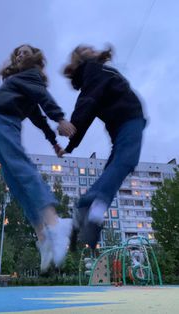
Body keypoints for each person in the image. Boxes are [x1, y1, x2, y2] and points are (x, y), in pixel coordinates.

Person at [0, 44, 76, 272]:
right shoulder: (21, 80)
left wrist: (60, 118)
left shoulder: (32, 76)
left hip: (4, 120)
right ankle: (43, 237)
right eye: (17, 53)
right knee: (15, 182)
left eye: (25, 51)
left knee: (21, 168)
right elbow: (36, 116)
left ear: (35, 57)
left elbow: (42, 97)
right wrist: (53, 141)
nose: (19, 54)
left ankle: (56, 224)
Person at [59, 45, 146, 249]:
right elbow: (87, 101)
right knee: (126, 161)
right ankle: (88, 205)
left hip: (120, 126)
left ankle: (92, 215)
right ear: (81, 58)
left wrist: (71, 145)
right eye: (87, 48)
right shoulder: (93, 69)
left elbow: (89, 107)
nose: (92, 48)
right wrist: (72, 131)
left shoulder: (93, 71)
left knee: (114, 169)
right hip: (129, 120)